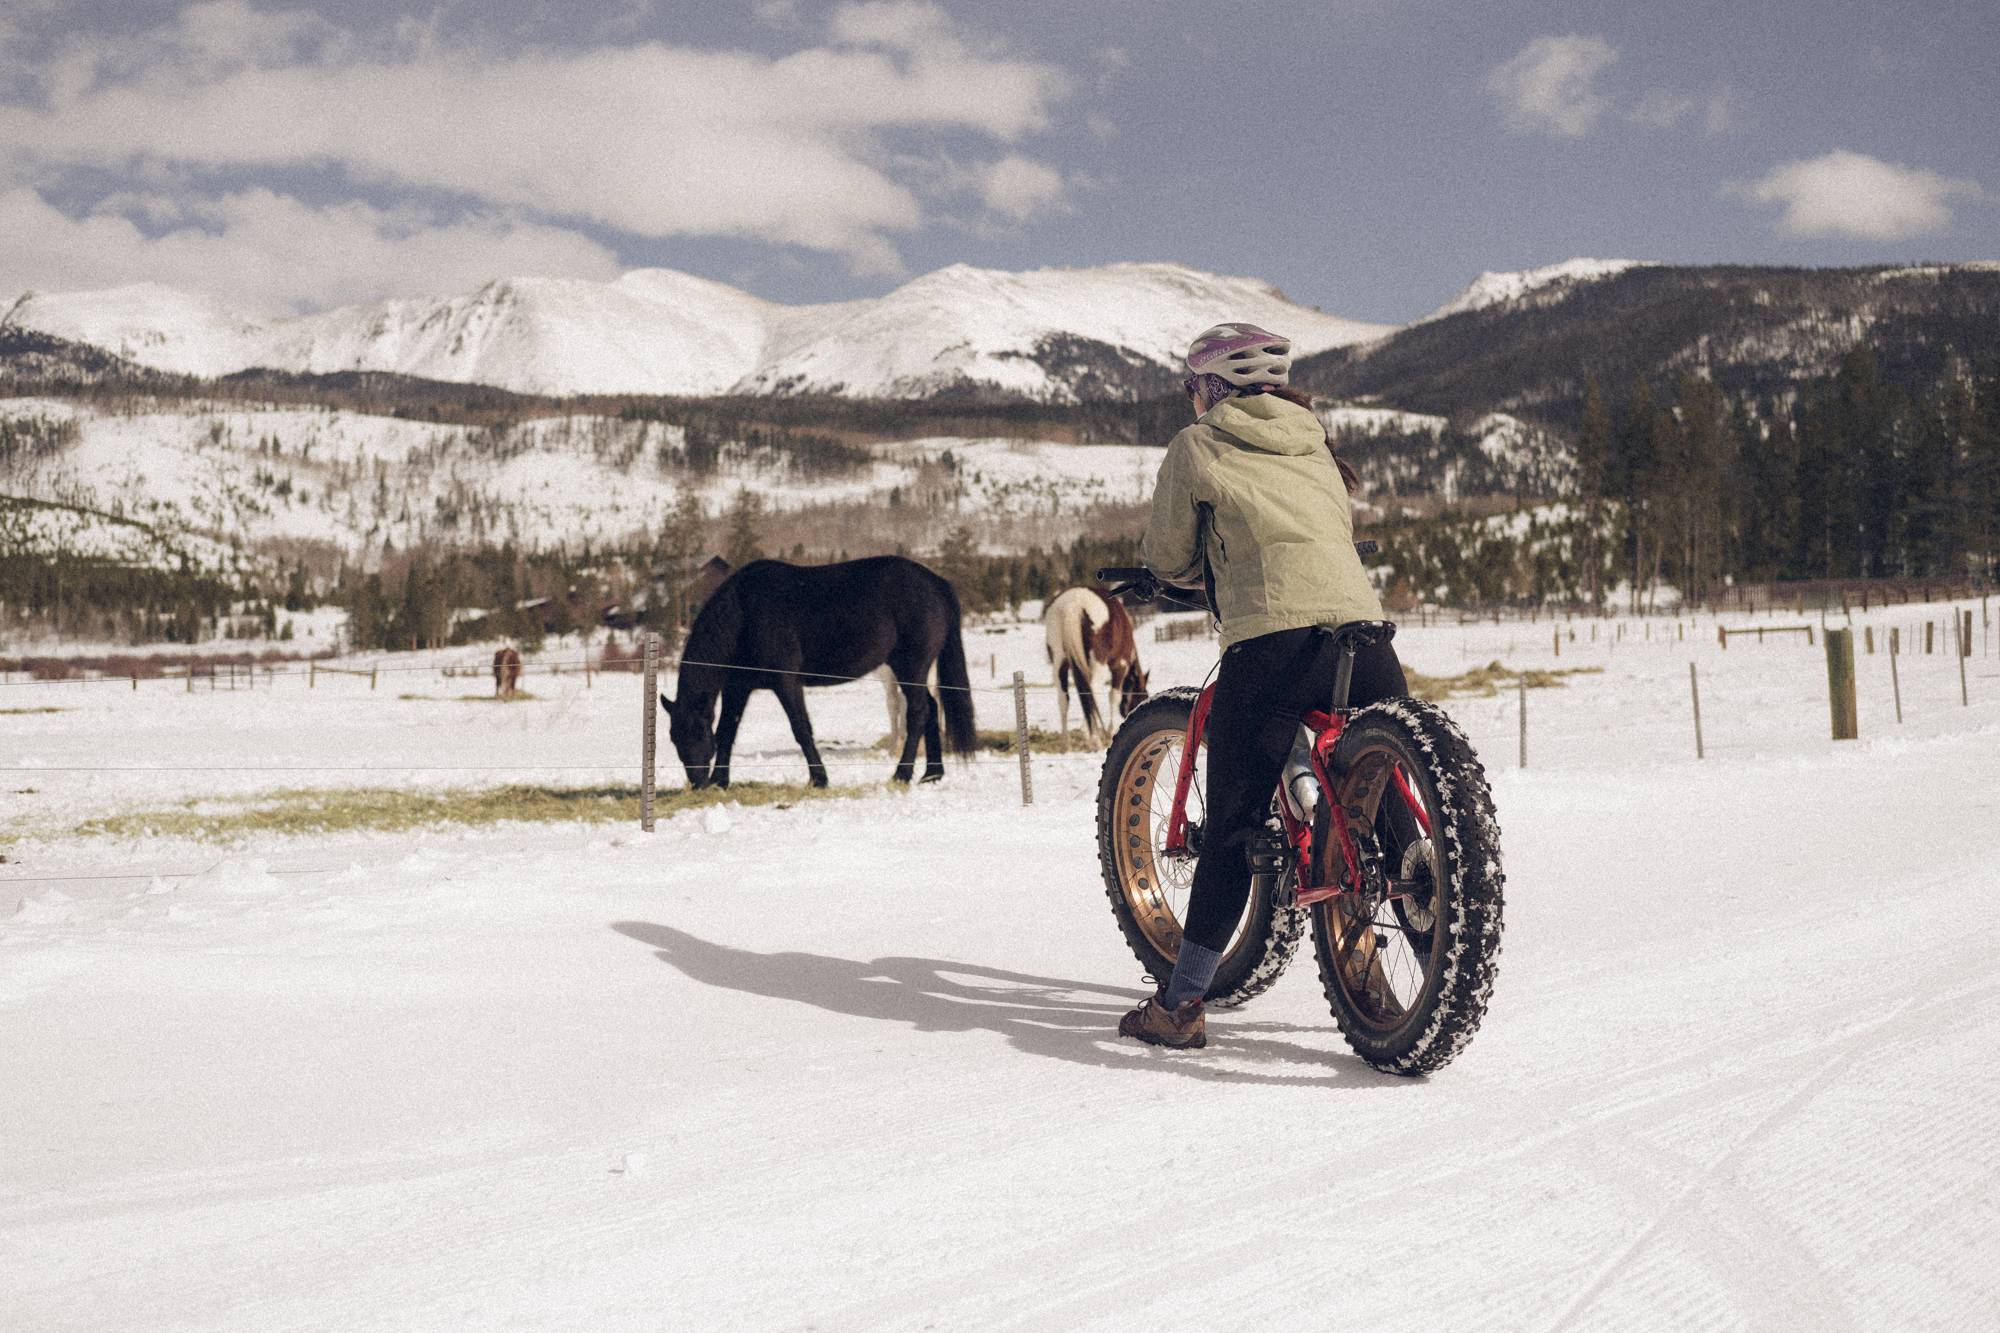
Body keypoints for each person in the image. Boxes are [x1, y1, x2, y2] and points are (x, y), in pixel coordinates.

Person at [1118, 322, 1407, 1049]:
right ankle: (1430, 884)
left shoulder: (1199, 443)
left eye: (1192, 386)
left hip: (1271, 642)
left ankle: (1181, 1006)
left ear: (1212, 387)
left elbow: (1170, 551)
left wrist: (1170, 575)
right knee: (1395, 783)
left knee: (1233, 829)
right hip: (1363, 633)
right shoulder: (1312, 437)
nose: (1192, 398)